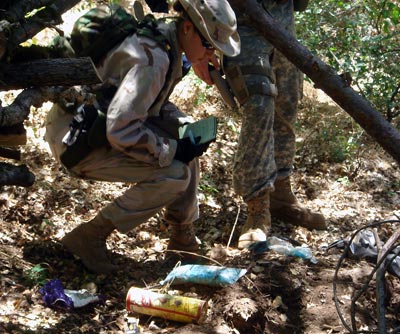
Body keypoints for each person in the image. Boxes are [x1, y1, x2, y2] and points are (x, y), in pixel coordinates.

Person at [45, 0, 240, 273]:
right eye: (209, 45)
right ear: (188, 27)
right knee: (175, 174)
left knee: (189, 143)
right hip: (76, 141)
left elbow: (151, 103)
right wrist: (170, 150)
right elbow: (120, 129)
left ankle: (182, 236)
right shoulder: (155, 59)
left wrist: (183, 128)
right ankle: (90, 236)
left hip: (91, 126)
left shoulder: (165, 40)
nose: (212, 56)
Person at [191, 0, 327, 249]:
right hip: (241, 31)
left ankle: (281, 196)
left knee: (286, 110)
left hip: (283, 27)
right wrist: (202, 42)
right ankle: (257, 208)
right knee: (258, 110)